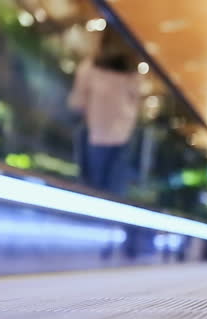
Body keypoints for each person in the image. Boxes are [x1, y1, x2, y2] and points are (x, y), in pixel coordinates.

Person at [68, 29, 139, 196]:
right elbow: (135, 105)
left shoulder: (90, 67)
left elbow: (77, 103)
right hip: (122, 138)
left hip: (95, 135)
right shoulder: (131, 73)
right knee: (113, 192)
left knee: (90, 190)